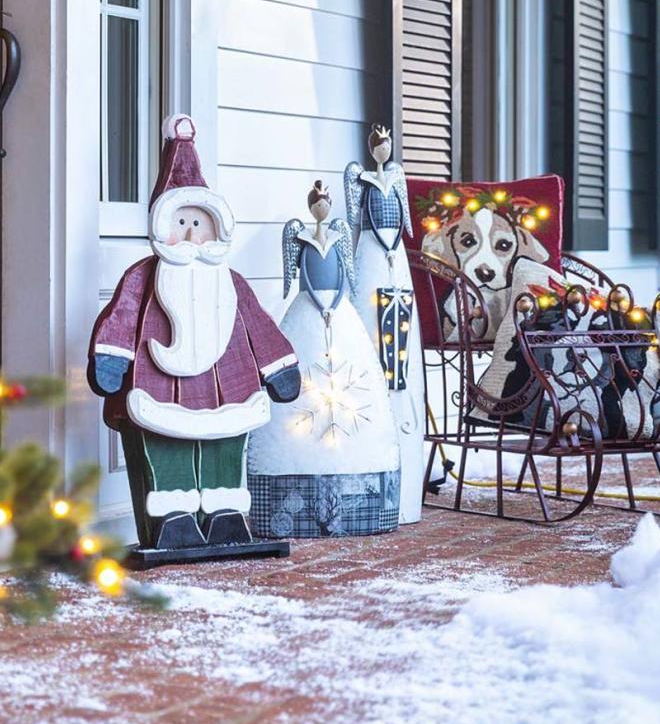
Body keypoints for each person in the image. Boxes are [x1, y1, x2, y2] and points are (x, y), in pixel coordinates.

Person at [88, 114, 301, 552]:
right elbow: (121, 320)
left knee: (225, 450)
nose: (189, 234)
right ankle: (174, 519)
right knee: (167, 449)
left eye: (198, 223)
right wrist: (110, 361)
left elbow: (260, 327)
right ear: (161, 229)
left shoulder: (232, 283)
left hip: (232, 390)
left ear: (216, 229)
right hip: (158, 389)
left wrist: (280, 369)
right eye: (180, 222)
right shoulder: (142, 278)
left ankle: (225, 515)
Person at [248, 181, 400, 537]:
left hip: (339, 311)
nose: (322, 208)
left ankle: (366, 503)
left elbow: (346, 276)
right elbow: (302, 280)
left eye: (326, 202)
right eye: (317, 202)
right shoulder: (301, 238)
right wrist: (318, 303)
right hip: (310, 309)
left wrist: (334, 306)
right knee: (299, 394)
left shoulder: (339, 235)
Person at [344, 126, 425, 524]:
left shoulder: (396, 178)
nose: (383, 149)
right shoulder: (360, 178)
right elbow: (355, 220)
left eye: (387, 144)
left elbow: (405, 219)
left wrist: (399, 240)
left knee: (403, 378)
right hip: (373, 265)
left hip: (396, 270)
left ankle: (409, 496)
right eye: (378, 144)